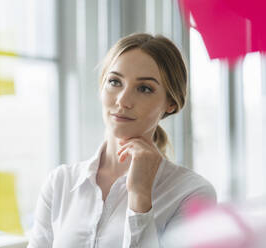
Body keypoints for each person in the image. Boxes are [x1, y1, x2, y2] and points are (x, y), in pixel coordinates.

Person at [27, 33, 217, 248]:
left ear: (171, 103)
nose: (123, 100)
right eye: (115, 82)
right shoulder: (60, 183)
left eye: (144, 88)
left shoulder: (192, 194)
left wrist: (140, 198)